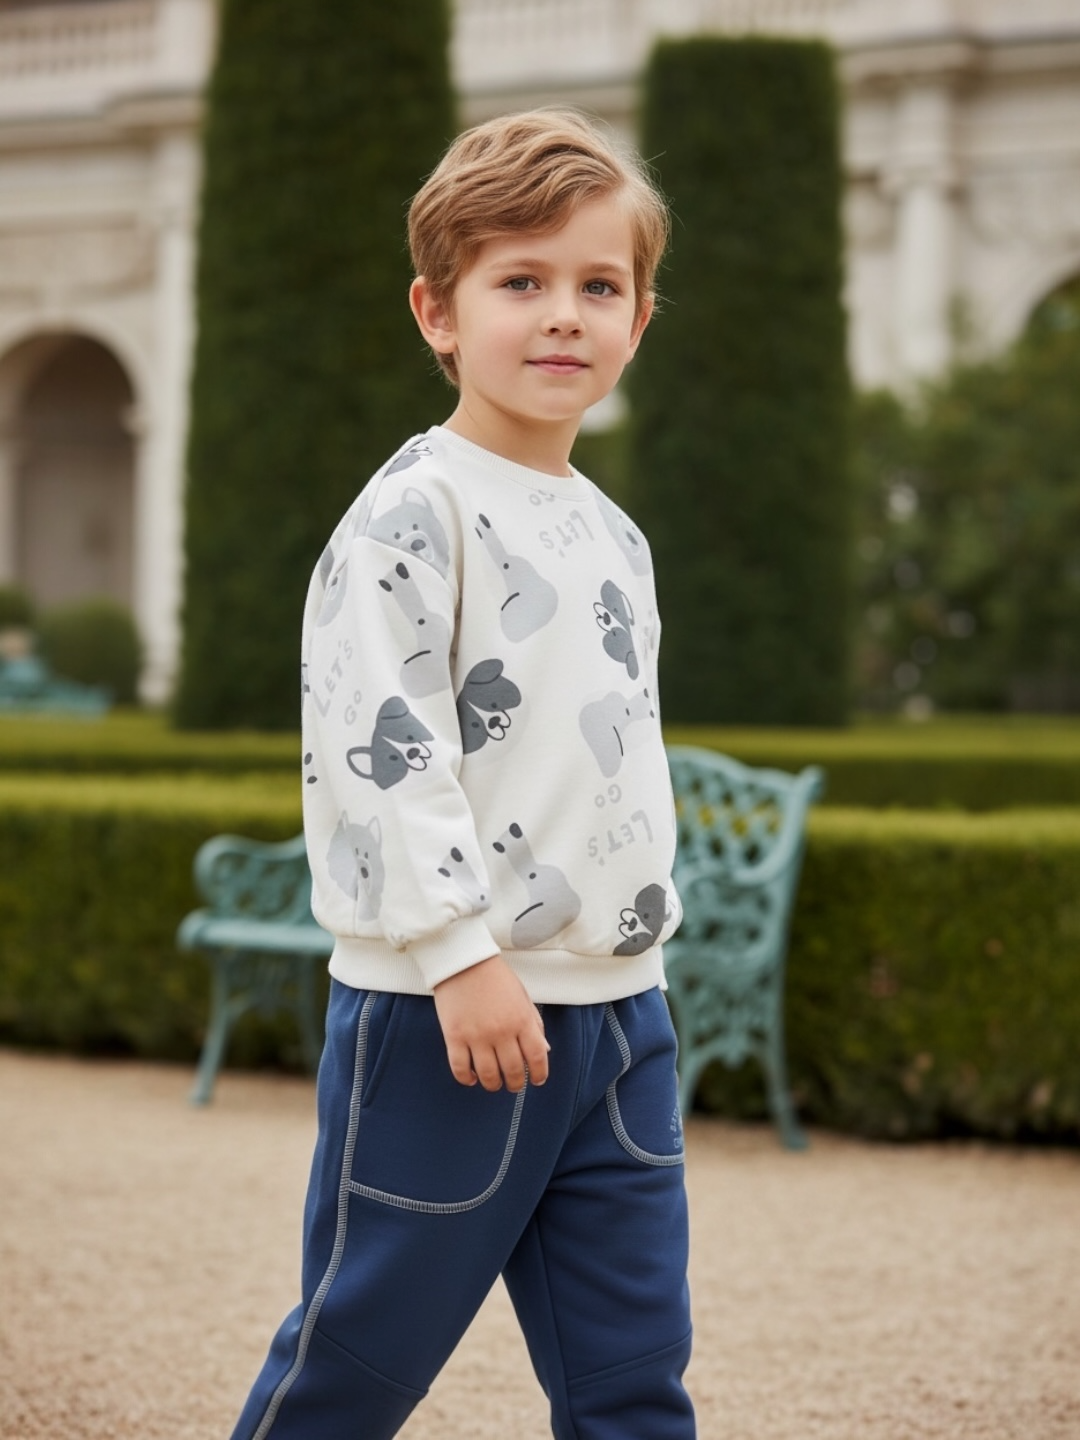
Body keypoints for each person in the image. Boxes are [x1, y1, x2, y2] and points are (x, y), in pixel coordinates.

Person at [231, 107, 696, 1440]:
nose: (563, 317)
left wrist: (635, 966)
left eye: (598, 286)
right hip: (449, 1019)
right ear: (438, 312)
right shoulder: (412, 511)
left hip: (621, 1023)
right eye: (522, 281)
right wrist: (457, 953)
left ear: (639, 320)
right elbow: (381, 744)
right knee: (353, 1367)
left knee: (633, 1380)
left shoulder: (616, 537)